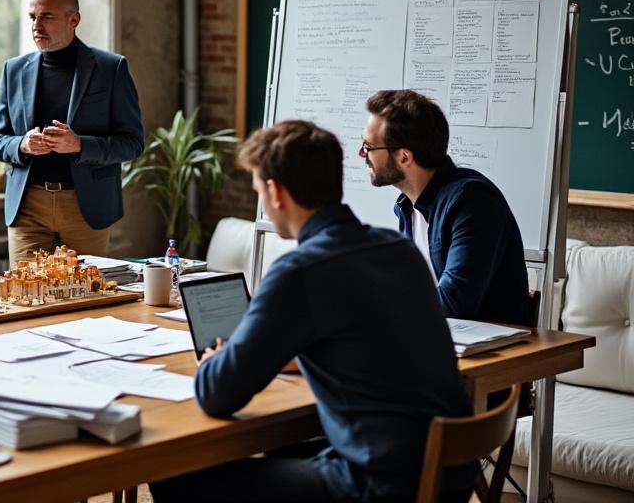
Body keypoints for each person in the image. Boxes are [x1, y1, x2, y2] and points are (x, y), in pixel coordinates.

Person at [150, 120, 473, 502]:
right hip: (448, 472)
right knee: (285, 453)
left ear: (275, 191)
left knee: (172, 474)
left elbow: (217, 394)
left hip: (379, 486)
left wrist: (215, 359)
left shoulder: (299, 271)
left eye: (258, 189)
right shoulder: (397, 249)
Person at [0, 0, 143, 266]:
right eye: (32, 17)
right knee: (26, 299)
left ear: (74, 20)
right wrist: (21, 144)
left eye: (46, 16)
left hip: (85, 208)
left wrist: (80, 145)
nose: (36, 25)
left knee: (83, 301)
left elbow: (132, 143)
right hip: (28, 206)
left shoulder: (111, 68)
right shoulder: (13, 70)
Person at [362, 89, 530, 325]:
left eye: (369, 147)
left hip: (495, 354)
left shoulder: (473, 201)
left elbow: (454, 304)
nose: (362, 154)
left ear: (404, 157)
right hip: (439, 342)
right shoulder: (405, 207)